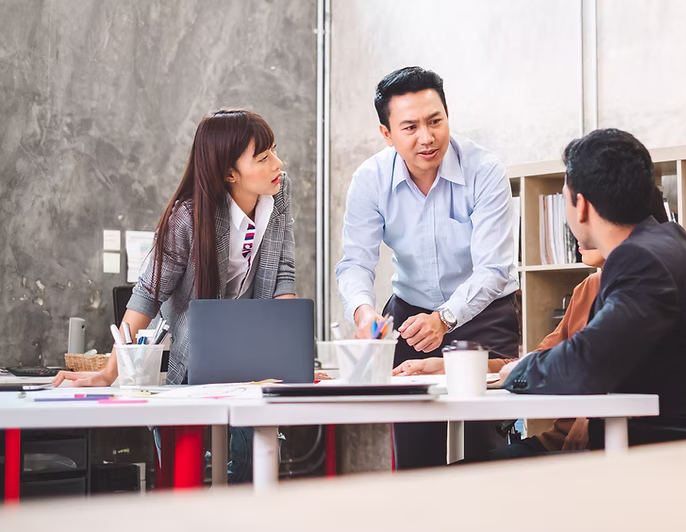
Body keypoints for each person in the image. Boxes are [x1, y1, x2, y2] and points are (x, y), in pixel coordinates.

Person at [498, 128, 686, 450]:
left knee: (474, 471)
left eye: (564, 199)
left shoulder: (642, 260)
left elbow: (588, 363)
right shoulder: (663, 246)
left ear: (581, 206)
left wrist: (519, 371)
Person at [53, 109, 296, 481]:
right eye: (263, 158)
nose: (278, 163)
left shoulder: (278, 192)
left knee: (256, 465)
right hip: (191, 359)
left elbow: (282, 276)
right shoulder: (188, 217)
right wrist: (109, 373)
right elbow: (147, 295)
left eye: (274, 151)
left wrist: (289, 360)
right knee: (184, 477)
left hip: (250, 359)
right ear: (229, 173)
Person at [335, 66, 520, 469]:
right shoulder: (370, 180)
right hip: (409, 315)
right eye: (410, 127)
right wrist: (363, 312)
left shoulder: (484, 170)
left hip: (485, 313)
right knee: (415, 449)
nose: (427, 137)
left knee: (483, 448)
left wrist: (445, 318)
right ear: (387, 133)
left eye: (435, 121)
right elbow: (355, 262)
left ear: (448, 116)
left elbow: (493, 268)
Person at [392, 196, 671, 458]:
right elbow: (531, 362)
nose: (578, 231)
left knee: (468, 476)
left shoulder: (647, 288)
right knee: (458, 473)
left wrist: (592, 417)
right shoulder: (587, 289)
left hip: (609, 445)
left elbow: (631, 375)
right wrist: (448, 367)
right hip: (558, 442)